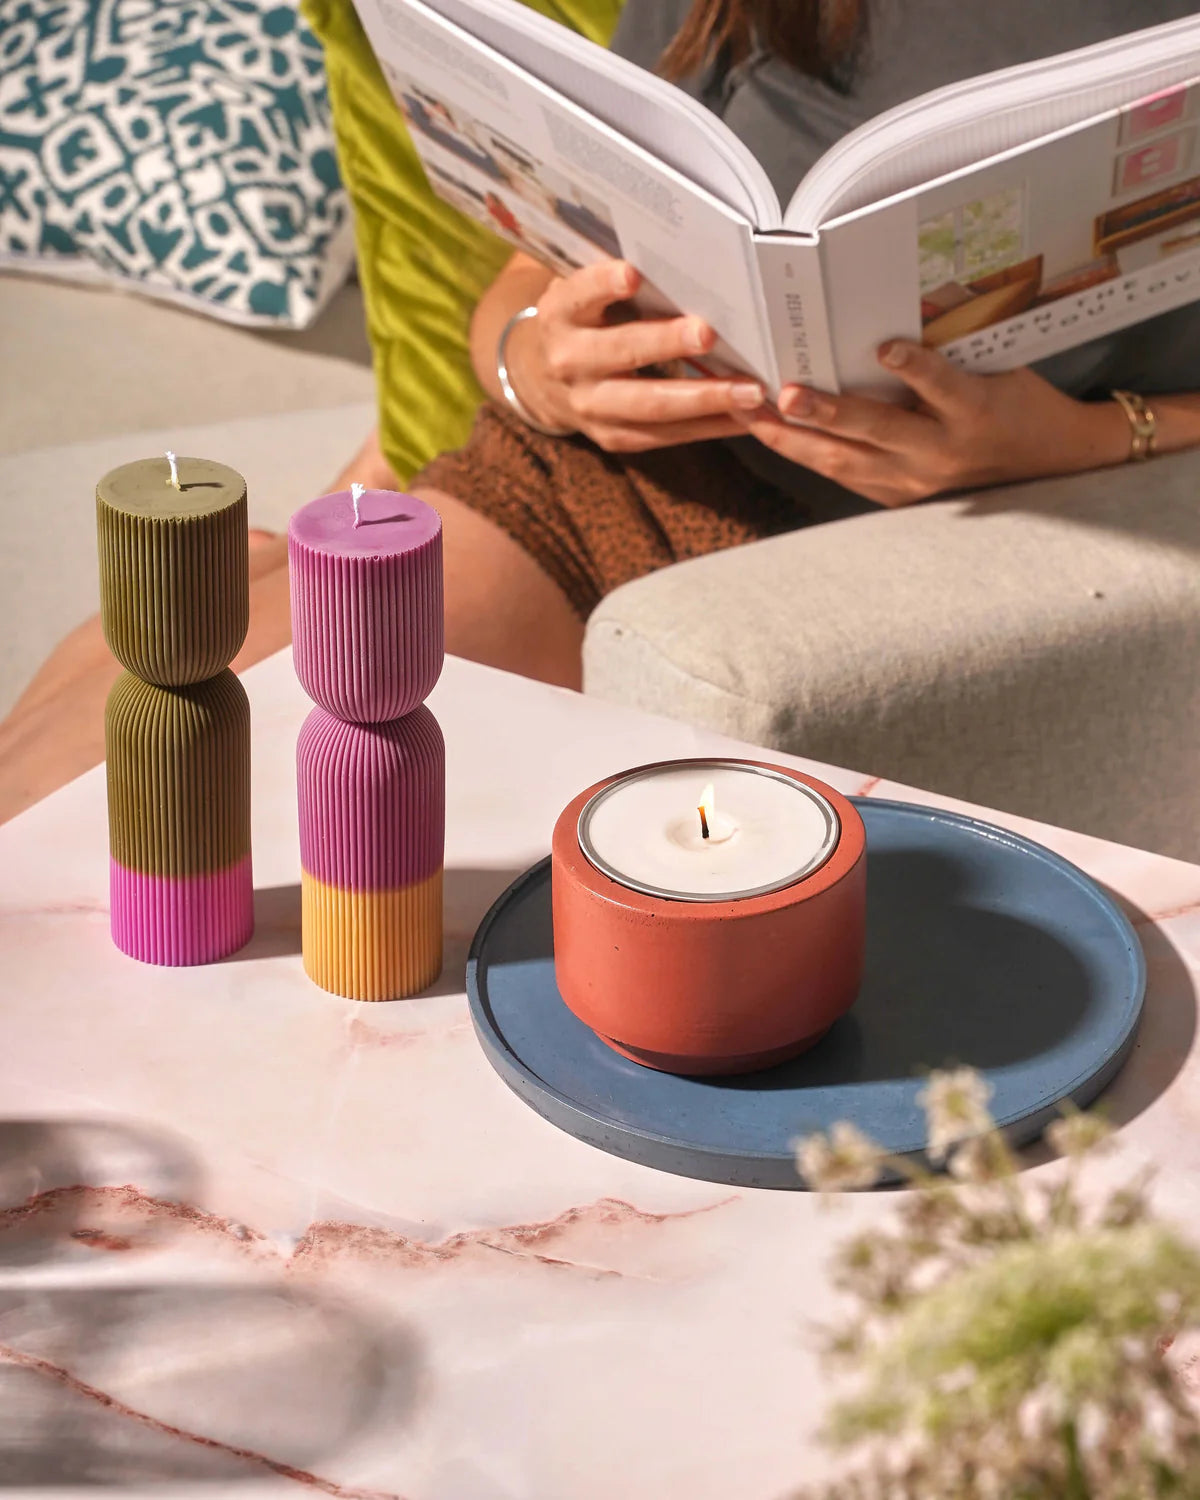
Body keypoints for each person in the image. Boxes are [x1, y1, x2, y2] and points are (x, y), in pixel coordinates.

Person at [5, 0, 1200, 823]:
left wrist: (1093, 441)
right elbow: (534, 274)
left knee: (193, 762)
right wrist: (537, 359)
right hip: (626, 483)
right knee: (132, 739)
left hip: (992, 543)